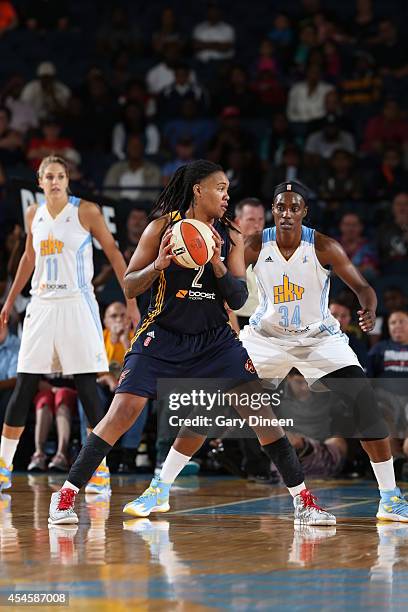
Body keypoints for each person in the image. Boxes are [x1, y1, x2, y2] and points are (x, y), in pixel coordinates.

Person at [48, 160, 335, 527]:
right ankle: (67, 493)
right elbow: (130, 286)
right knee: (122, 412)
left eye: (228, 189)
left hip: (215, 340)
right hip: (162, 334)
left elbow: (235, 297)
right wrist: (159, 265)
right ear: (198, 190)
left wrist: (215, 262)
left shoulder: (229, 236)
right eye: (220, 188)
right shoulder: (161, 228)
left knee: (262, 416)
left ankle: (304, 502)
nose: (226, 196)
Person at [238, 180, 408, 521]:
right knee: (214, 394)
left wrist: (369, 309)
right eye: (280, 207)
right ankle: (161, 487)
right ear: (273, 211)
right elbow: (227, 285)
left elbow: (362, 287)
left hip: (317, 338)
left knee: (364, 403)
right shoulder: (255, 245)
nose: (286, 213)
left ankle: (389, 497)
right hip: (267, 336)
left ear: (304, 212)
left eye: (294, 207)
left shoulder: (323, 246)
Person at [0, 155, 139, 493]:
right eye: (49, 176)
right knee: (25, 385)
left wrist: (132, 299)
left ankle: (99, 469)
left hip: (78, 304)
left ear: (67, 179)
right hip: (42, 305)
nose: (55, 181)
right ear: (40, 181)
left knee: (87, 387)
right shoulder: (34, 213)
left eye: (60, 175)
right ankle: (3, 466)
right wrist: (7, 302)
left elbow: (115, 254)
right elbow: (29, 259)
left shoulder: (86, 211)